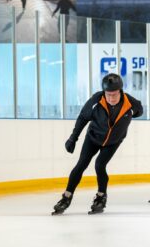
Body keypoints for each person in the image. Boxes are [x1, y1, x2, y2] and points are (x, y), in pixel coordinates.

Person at [52, 73, 143, 215]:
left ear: (120, 91)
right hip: (93, 138)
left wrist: (125, 122)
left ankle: (101, 196)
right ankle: (67, 197)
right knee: (81, 164)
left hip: (113, 142)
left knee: (100, 165)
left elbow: (139, 111)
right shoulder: (96, 100)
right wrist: (73, 138)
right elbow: (82, 118)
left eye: (114, 94)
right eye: (108, 94)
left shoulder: (130, 103)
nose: (111, 98)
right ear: (104, 92)